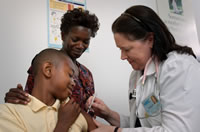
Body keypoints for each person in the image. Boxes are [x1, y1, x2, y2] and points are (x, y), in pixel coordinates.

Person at [86, 5, 200, 132]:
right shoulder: (136, 75)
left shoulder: (178, 67)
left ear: (150, 39)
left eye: (127, 49)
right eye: (120, 49)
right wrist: (108, 114)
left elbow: (178, 130)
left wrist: (115, 131)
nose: (122, 57)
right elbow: (139, 125)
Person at [4, 8, 100, 112]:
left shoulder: (87, 75)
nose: (81, 46)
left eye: (86, 41)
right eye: (75, 40)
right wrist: (18, 98)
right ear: (63, 36)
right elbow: (31, 100)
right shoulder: (45, 62)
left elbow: (90, 111)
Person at [0, 48, 96, 131]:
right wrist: (63, 125)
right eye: (70, 75)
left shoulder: (72, 111)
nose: (74, 83)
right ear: (48, 70)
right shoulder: (10, 113)